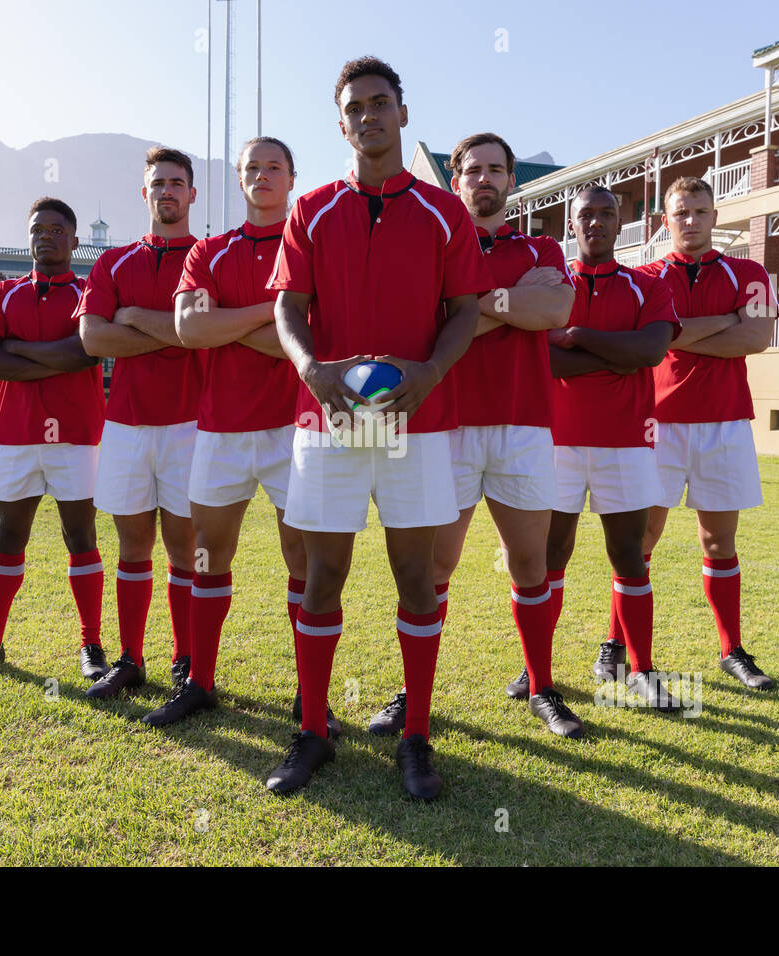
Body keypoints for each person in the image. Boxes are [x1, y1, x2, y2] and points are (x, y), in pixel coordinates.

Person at [265, 56, 489, 799]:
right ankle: (313, 733)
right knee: (322, 574)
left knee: (416, 579)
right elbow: (288, 309)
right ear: (341, 123)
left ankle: (417, 736)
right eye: (355, 107)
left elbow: (464, 312)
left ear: (401, 112)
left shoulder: (443, 212)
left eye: (380, 103)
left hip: (414, 417)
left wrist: (426, 374)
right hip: (331, 415)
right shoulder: (313, 209)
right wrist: (311, 369)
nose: (369, 116)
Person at [365, 132, 580, 738]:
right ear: (454, 180)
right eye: (472, 171)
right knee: (434, 565)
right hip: (448, 426)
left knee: (530, 562)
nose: (483, 179)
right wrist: (507, 305)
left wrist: (470, 311)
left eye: (495, 170)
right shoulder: (437, 244)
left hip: (523, 424)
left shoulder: (541, 245)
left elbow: (555, 312)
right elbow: (431, 328)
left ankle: (541, 686)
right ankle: (414, 694)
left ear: (512, 180)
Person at [142, 135, 338, 736]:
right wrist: (277, 313)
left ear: (291, 175)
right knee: (207, 553)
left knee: (301, 558)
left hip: (295, 424)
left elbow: (321, 338)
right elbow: (190, 329)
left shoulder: (313, 246)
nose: (262, 176)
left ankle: (312, 699)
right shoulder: (210, 250)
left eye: (274, 167)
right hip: (221, 427)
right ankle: (199, 681)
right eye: (252, 167)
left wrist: (230, 322)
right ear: (238, 177)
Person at [0, 198, 106, 681]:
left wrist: (15, 348)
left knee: (81, 537)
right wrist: (52, 358)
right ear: (28, 237)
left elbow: (86, 353)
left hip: (76, 435)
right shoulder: (1, 294)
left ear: (75, 240)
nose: (46, 235)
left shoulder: (90, 292)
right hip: (15, 437)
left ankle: (91, 646)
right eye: (38, 228)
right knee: (9, 535)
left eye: (57, 229)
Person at [636, 176, 778, 690]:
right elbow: (653, 342)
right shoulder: (645, 277)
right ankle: (619, 644)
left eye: (700, 211)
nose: (690, 221)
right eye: (680, 213)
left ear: (715, 216)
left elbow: (757, 337)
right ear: (665, 221)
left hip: (725, 423)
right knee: (640, 541)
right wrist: (724, 321)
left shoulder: (750, 271)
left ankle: (731, 649)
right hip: (658, 425)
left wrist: (679, 331)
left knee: (720, 541)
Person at [545, 184, 682, 710]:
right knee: (550, 556)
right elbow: (546, 363)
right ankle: (539, 670)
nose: (596, 222)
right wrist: (614, 354)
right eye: (586, 215)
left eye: (606, 214)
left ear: (620, 222)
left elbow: (650, 351)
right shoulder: (553, 285)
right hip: (556, 441)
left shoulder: (646, 283)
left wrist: (578, 334)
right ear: (572, 224)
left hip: (625, 442)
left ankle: (641, 670)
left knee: (628, 555)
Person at [77, 147, 203, 700]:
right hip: (126, 425)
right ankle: (130, 658)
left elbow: (204, 333)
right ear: (144, 193)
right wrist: (172, 332)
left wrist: (134, 319)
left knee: (184, 548)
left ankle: (186, 659)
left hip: (192, 424)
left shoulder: (209, 256)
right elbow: (92, 339)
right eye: (158, 183)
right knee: (133, 547)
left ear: (193, 193)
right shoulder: (114, 263)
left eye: (177, 182)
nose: (167, 191)